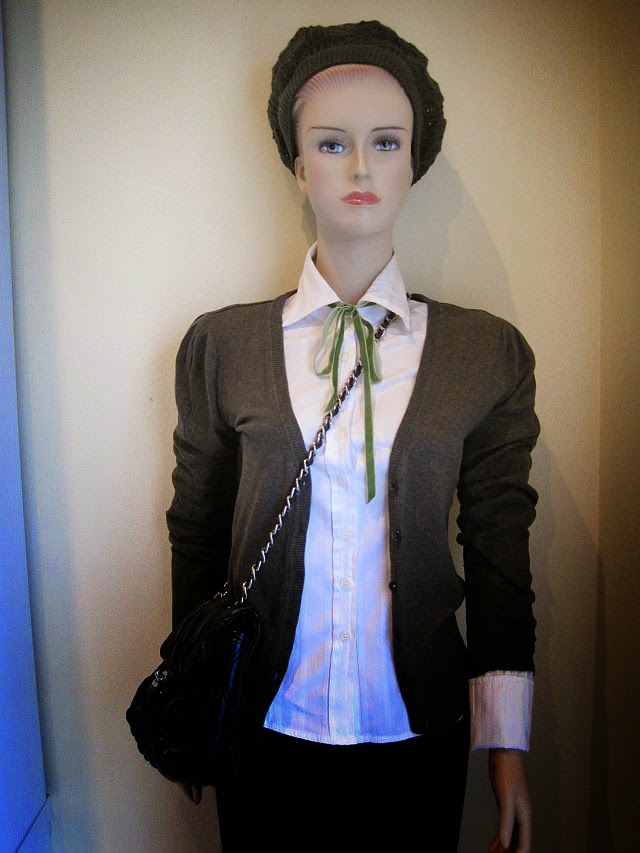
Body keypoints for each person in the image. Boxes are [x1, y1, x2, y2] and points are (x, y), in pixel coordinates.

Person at [166, 20, 539, 853]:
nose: (361, 168)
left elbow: (499, 547)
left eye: (386, 142)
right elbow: (196, 528)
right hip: (262, 729)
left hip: (418, 732)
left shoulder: (484, 353)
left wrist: (506, 744)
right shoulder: (222, 346)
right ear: (298, 167)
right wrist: (196, 701)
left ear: (414, 162)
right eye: (332, 144)